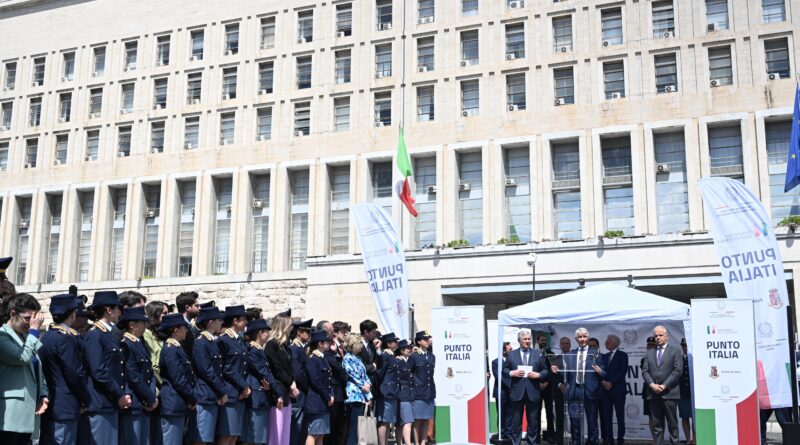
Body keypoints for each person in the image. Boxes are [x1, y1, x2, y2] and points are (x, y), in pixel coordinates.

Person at [39, 294, 90, 445]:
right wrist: (85, 399)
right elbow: (74, 374)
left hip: (53, 402)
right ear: (73, 313)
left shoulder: (49, 336)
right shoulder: (65, 338)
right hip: (65, 404)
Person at [0, 293, 48, 445]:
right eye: (27, 318)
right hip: (10, 416)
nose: (31, 323)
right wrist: (34, 331)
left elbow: (37, 368)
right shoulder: (2, 336)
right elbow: (22, 357)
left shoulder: (25, 337)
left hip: (29, 412)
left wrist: (43, 394)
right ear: (13, 314)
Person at [84, 291, 131, 445]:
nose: (120, 313)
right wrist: (119, 394)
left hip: (110, 402)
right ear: (109, 310)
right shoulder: (95, 335)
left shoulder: (108, 334)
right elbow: (99, 371)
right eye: (117, 308)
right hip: (101, 401)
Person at [551, 327, 603, 445]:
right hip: (574, 392)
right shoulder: (570, 354)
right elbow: (566, 373)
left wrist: (600, 371)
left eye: (585, 336)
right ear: (576, 339)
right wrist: (557, 371)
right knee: (575, 423)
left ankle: (592, 442)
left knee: (592, 422)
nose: (582, 339)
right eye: (580, 337)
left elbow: (604, 373)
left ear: (588, 338)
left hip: (590, 392)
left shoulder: (595, 353)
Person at [502, 328, 549, 445]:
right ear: (519, 340)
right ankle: (515, 443)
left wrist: (538, 375)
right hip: (516, 393)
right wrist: (512, 373)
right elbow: (504, 370)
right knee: (516, 423)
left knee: (533, 423)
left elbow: (546, 370)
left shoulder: (538, 354)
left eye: (529, 339)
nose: (527, 341)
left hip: (533, 393)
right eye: (525, 339)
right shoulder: (512, 354)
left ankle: (531, 443)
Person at [119, 306, 158, 445]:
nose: (146, 325)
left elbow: (149, 373)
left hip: (145, 402)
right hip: (135, 403)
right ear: (132, 324)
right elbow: (134, 377)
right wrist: (149, 398)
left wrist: (151, 397)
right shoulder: (126, 345)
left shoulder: (138, 343)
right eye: (143, 322)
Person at [189, 306, 227, 445]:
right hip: (204, 395)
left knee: (207, 438)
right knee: (201, 439)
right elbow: (206, 370)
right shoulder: (201, 342)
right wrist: (221, 391)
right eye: (218, 320)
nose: (221, 323)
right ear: (211, 322)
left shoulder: (212, 341)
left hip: (212, 395)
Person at [158, 314, 198, 445]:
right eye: (184, 328)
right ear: (175, 330)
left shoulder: (176, 348)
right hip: (173, 402)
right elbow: (178, 379)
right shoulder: (170, 349)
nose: (186, 330)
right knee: (171, 441)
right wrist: (192, 398)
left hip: (179, 402)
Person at [641, 326, 683, 445]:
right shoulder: (649, 353)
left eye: (660, 335)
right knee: (657, 426)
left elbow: (677, 371)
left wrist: (664, 386)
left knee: (673, 426)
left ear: (666, 336)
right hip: (653, 394)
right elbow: (645, 371)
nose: (658, 338)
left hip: (669, 393)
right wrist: (652, 385)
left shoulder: (675, 351)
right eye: (656, 336)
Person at [217, 305, 251, 445]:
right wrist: (244, 386)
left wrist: (244, 388)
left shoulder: (239, 340)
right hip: (230, 392)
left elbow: (244, 367)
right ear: (235, 321)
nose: (246, 323)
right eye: (244, 320)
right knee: (227, 435)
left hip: (240, 394)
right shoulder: (224, 340)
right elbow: (227, 368)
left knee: (234, 436)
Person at [265, 314, 299, 445]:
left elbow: (289, 369)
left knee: (285, 432)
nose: (291, 329)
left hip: (286, 393)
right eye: (289, 325)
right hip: (277, 392)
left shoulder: (285, 346)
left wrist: (292, 383)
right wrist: (291, 383)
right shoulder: (271, 345)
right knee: (276, 432)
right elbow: (276, 369)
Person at [243, 318, 277, 445]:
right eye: (266, 331)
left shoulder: (259, 350)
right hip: (255, 397)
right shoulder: (253, 350)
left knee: (258, 438)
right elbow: (263, 372)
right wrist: (276, 391)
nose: (268, 334)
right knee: (252, 438)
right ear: (259, 333)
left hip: (261, 396)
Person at [305, 330, 334, 445]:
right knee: (314, 433)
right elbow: (315, 381)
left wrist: (330, 395)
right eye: (326, 341)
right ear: (320, 344)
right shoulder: (313, 359)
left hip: (323, 401)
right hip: (317, 401)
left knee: (321, 434)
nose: (328, 343)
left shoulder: (322, 358)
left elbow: (328, 381)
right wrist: (328, 396)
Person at [598, 335, 628, 445]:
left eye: (607, 342)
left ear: (614, 343)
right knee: (607, 417)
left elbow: (622, 372)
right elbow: (600, 372)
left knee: (620, 416)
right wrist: (603, 382)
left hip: (618, 391)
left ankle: (620, 439)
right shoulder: (604, 357)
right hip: (605, 392)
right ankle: (609, 439)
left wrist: (611, 382)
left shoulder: (622, 355)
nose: (605, 344)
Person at [343, 333, 372, 445]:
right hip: (354, 396)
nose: (361, 346)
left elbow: (364, 375)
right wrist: (365, 388)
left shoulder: (357, 358)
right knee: (354, 428)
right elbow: (354, 375)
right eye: (359, 343)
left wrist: (368, 386)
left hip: (362, 395)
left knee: (360, 429)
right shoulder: (347, 358)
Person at [324, 321, 348, 445]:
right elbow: (332, 363)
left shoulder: (339, 347)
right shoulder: (328, 346)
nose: (345, 334)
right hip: (334, 389)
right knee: (332, 425)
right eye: (343, 332)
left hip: (341, 390)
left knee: (339, 425)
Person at [290, 318, 313, 445]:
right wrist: (309, 386)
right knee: (296, 431)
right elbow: (298, 373)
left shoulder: (301, 348)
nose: (309, 335)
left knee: (302, 432)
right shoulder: (294, 348)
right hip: (298, 394)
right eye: (307, 332)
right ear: (299, 332)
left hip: (304, 395)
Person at [410, 330, 436, 445]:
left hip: (429, 392)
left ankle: (423, 442)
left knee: (426, 419)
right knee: (417, 420)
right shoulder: (414, 356)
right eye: (424, 339)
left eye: (428, 339)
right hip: (419, 392)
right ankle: (416, 442)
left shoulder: (432, 356)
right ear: (419, 341)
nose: (427, 341)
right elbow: (409, 373)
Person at [377, 333, 400, 445]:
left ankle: (385, 443)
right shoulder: (385, 356)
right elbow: (380, 373)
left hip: (392, 392)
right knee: (384, 421)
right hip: (386, 392)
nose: (396, 343)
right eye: (394, 341)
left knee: (388, 421)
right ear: (388, 344)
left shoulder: (391, 356)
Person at [536, 333, 556, 444]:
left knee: (549, 412)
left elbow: (554, 371)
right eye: (541, 340)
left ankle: (551, 436)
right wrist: (538, 384)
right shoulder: (534, 354)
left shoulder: (551, 354)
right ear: (538, 341)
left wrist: (547, 383)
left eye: (545, 340)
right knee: (536, 413)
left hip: (549, 387)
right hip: (536, 387)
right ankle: (537, 437)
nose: (543, 342)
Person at [492, 342, 513, 440]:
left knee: (509, 414)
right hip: (501, 392)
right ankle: (501, 433)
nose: (511, 351)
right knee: (501, 413)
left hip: (511, 392)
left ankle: (508, 434)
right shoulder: (496, 362)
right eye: (510, 349)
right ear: (504, 350)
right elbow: (499, 376)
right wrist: (509, 385)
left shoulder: (513, 362)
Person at [395, 340, 414, 445]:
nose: (410, 350)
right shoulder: (398, 362)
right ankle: (407, 443)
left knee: (401, 422)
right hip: (403, 394)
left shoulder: (405, 361)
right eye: (408, 348)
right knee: (407, 421)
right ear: (402, 350)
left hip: (405, 394)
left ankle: (400, 443)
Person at [553, 337, 571, 445]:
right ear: (560, 345)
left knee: (573, 417)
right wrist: (560, 385)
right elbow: (553, 375)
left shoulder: (574, 358)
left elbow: (574, 374)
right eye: (563, 343)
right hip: (558, 391)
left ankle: (574, 439)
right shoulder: (555, 359)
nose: (565, 345)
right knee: (559, 417)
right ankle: (559, 441)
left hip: (571, 390)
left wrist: (568, 385)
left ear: (570, 345)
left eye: (567, 343)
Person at [678, 338, 694, 445]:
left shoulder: (694, 358)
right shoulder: (678, 359)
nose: (685, 348)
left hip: (694, 393)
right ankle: (688, 439)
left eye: (686, 346)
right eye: (683, 346)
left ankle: (696, 439)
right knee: (684, 417)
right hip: (682, 392)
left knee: (695, 418)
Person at [357, 319, 380, 391]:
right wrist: (373, 366)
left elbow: (379, 364)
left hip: (372, 384)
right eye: (373, 332)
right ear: (366, 332)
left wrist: (378, 350)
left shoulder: (372, 346)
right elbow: (360, 366)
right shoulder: (357, 346)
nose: (375, 335)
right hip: (362, 385)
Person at [641, 336, 657, 438]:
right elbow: (645, 374)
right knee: (651, 416)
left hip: (661, 390)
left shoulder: (662, 358)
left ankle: (661, 439)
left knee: (661, 416)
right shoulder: (644, 360)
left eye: (653, 346)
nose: (651, 348)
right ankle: (655, 440)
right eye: (649, 346)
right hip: (648, 391)